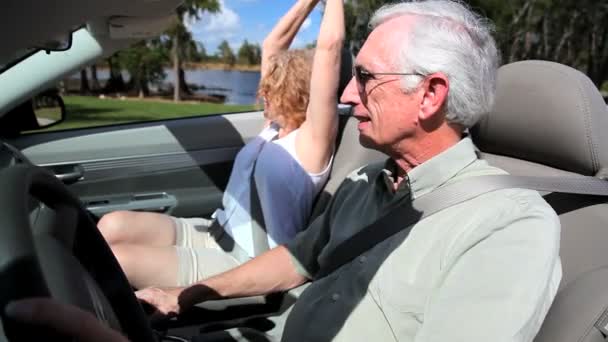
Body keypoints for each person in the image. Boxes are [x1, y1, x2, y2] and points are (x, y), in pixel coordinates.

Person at [6, 0, 562, 341]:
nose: (348, 94)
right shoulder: (367, 182)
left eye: (365, 78)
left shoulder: (509, 226)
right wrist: (191, 294)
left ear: (430, 95)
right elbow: (299, 258)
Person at [96, 0, 339, 290]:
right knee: (111, 225)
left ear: (297, 93)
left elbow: (330, 49)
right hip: (216, 231)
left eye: (272, 88)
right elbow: (272, 44)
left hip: (249, 261)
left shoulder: (311, 142)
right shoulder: (273, 128)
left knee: (117, 260)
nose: (262, 93)